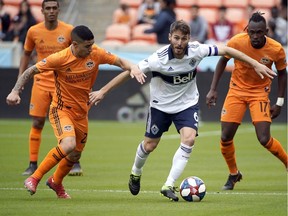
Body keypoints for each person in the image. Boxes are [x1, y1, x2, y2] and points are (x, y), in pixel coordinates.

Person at [90, 20, 275, 201]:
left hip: (186, 105)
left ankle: (169, 184)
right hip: (160, 107)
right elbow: (129, 72)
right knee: (149, 146)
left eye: (184, 38)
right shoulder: (158, 58)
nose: (179, 43)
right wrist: (103, 91)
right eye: (176, 38)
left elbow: (226, 50)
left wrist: (255, 63)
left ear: (189, 38)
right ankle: (135, 172)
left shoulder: (197, 50)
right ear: (170, 37)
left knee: (189, 139)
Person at [6, 25, 145, 199]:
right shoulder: (59, 58)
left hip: (82, 112)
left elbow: (121, 62)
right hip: (61, 109)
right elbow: (30, 70)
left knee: (75, 154)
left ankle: (56, 182)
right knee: (68, 144)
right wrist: (15, 91)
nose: (91, 48)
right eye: (87, 46)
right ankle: (35, 178)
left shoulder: (96, 53)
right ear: (75, 44)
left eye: (92, 44)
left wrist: (133, 67)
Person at [206, 12, 287, 190]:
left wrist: (279, 102)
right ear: (247, 30)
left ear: (266, 31)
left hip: (259, 93)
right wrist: (213, 89)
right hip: (236, 91)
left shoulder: (276, 49)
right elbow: (222, 61)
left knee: (264, 138)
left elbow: (282, 73)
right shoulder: (236, 42)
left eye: (259, 32)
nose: (256, 36)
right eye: (252, 32)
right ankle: (234, 174)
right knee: (225, 136)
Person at [17, 0, 82, 177]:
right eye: (48, 8)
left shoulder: (68, 30)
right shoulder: (33, 31)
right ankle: (32, 164)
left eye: (54, 8)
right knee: (37, 122)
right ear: (42, 10)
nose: (51, 11)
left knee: (68, 121)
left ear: (59, 10)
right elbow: (26, 55)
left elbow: (77, 54)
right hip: (40, 82)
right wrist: (20, 79)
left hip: (62, 85)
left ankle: (74, 160)